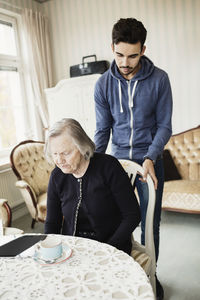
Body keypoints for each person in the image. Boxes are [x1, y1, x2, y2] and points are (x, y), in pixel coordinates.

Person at [94, 18, 173, 299]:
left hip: (150, 163)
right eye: (119, 55)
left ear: (143, 49)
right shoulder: (102, 84)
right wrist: (94, 161)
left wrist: (151, 156)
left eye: (132, 55)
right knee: (116, 221)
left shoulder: (160, 79)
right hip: (117, 166)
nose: (124, 62)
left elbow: (165, 126)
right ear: (112, 48)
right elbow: (103, 130)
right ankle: (124, 272)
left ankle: (152, 273)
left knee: (150, 224)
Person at [44, 118, 140, 255]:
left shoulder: (109, 167)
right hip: (73, 248)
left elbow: (132, 215)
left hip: (112, 245)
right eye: (55, 154)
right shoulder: (57, 176)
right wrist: (51, 249)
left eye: (65, 153)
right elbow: (52, 222)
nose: (59, 161)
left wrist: (109, 248)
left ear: (82, 147)